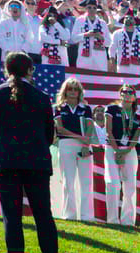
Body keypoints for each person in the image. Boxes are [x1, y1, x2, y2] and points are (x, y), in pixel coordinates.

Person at [0, 52, 56, 253]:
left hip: (7, 163)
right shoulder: (42, 97)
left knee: (11, 216)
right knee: (43, 214)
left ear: (6, 69)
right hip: (37, 163)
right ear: (30, 70)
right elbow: (49, 134)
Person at [54, 77, 93, 222]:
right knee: (68, 181)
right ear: (65, 91)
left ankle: (86, 216)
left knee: (86, 182)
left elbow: (89, 127)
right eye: (69, 88)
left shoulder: (86, 108)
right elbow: (60, 128)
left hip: (83, 146)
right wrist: (79, 137)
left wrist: (85, 144)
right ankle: (69, 215)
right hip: (66, 145)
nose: (72, 92)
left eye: (75, 89)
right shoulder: (59, 107)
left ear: (79, 92)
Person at [104, 84, 140, 225]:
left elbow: (136, 136)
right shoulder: (112, 109)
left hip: (129, 151)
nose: (127, 94)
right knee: (113, 183)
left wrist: (126, 150)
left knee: (130, 185)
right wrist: (117, 150)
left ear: (134, 96)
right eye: (124, 91)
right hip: (111, 148)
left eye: (130, 92)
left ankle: (127, 221)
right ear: (120, 94)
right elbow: (109, 130)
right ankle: (112, 220)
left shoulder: (138, 114)